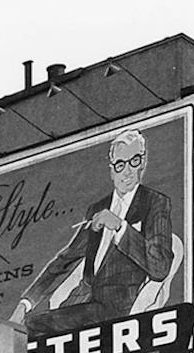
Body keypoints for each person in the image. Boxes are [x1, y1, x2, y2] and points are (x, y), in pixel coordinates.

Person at [10, 127, 178, 337]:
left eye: (134, 161)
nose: (126, 171)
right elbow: (67, 259)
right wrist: (26, 303)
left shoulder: (155, 203)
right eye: (119, 164)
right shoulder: (97, 209)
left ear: (143, 162)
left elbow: (160, 267)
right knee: (25, 325)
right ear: (111, 170)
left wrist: (120, 227)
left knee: (32, 327)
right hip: (82, 303)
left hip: (115, 310)